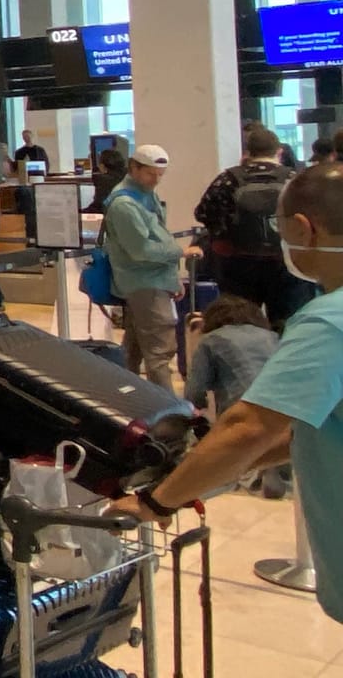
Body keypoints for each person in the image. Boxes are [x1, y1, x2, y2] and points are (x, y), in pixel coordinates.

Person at [111, 163, 343, 624]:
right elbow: (306, 430)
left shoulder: (326, 323)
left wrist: (153, 503)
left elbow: (250, 426)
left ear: (302, 228)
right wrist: (201, 475)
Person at [100, 145, 199, 391]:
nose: (155, 180)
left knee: (133, 350)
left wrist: (172, 278)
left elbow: (159, 236)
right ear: (134, 168)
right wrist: (181, 252)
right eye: (150, 174)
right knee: (160, 354)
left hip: (151, 281)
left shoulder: (144, 194)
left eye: (160, 175)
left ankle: (128, 402)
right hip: (144, 284)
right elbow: (141, 250)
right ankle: (169, 415)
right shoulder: (124, 204)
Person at [196, 126, 310, 331]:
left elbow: (203, 213)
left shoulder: (229, 179)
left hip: (239, 264)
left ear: (247, 152)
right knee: (287, 323)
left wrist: (224, 235)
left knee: (240, 323)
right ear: (279, 152)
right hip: (285, 261)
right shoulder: (294, 178)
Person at [183, 296, 290, 498]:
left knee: (234, 441)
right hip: (283, 400)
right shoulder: (271, 336)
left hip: (243, 402)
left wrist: (193, 415)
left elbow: (195, 390)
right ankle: (277, 469)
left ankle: (246, 471)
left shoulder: (211, 340)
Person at [85, 146, 129, 214]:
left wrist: (79, 212)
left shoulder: (104, 181)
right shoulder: (128, 176)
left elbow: (98, 206)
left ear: (102, 166)